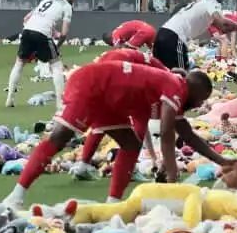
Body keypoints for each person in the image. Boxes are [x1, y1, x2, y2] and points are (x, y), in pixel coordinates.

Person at [2, 62, 222, 209]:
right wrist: (172, 174)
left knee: (131, 145)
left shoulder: (175, 88)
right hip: (92, 84)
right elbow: (165, 132)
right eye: (203, 99)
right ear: (197, 90)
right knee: (59, 138)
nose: (201, 104)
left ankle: (112, 205)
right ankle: (16, 197)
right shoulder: (177, 85)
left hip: (109, 97)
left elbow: (187, 135)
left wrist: (224, 161)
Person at [69, 47, 171, 175]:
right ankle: (129, 167)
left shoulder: (157, 71)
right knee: (137, 115)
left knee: (102, 120)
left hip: (102, 71)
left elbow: (143, 124)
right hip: (118, 72)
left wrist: (153, 157)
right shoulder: (166, 80)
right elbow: (142, 121)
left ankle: (83, 165)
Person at [155, 0, 237, 71]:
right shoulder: (212, 3)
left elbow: (223, 28)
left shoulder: (201, 3)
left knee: (162, 73)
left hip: (162, 33)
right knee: (181, 76)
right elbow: (223, 23)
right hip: (175, 37)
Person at [6, 0, 75, 108]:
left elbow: (26, 18)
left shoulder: (46, 0)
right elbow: (64, 33)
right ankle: (60, 103)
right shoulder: (67, 6)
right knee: (56, 66)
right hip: (42, 34)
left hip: (27, 31)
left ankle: (10, 99)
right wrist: (57, 46)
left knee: (19, 64)